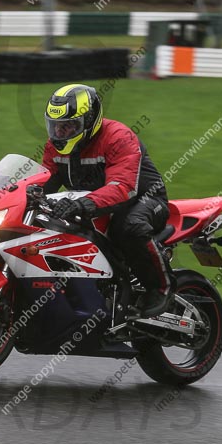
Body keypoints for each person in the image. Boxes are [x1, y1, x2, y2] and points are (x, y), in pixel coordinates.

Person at [40, 83, 174, 318]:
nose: (61, 133)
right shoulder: (55, 146)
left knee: (128, 227)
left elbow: (122, 187)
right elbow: (42, 180)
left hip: (144, 199)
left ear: (90, 121)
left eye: (69, 126)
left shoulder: (118, 137)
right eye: (56, 126)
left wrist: (82, 204)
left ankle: (161, 287)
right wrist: (4, 191)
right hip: (95, 203)